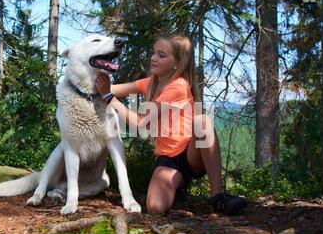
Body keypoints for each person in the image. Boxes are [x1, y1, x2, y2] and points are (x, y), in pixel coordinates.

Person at [95, 34, 247, 215]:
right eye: (154, 52)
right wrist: (92, 80)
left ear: (177, 62)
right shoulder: (151, 83)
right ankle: (178, 185)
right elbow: (115, 88)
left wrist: (108, 98)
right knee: (155, 208)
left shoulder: (178, 86)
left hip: (192, 154)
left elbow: (141, 124)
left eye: (161, 55)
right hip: (168, 158)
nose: (153, 57)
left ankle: (218, 196)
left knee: (203, 122)